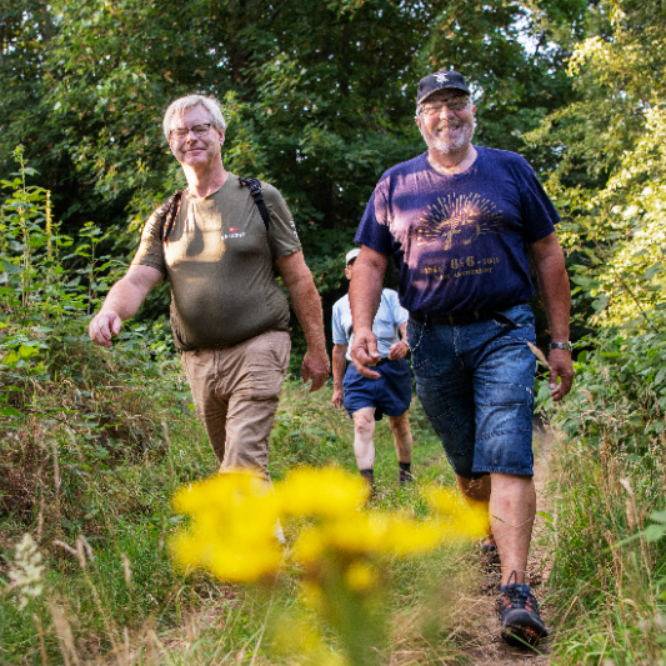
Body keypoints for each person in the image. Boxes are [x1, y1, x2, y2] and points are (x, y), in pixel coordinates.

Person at [349, 70, 573, 647]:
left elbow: (547, 253)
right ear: (419, 120)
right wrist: (361, 330)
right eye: (434, 108)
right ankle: (486, 531)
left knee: (508, 452)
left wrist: (560, 341)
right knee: (470, 468)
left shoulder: (511, 169)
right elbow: (371, 262)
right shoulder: (395, 184)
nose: (446, 116)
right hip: (430, 339)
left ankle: (516, 590)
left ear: (472, 111)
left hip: (505, 329)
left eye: (456, 104)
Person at [89, 94, 330, 481]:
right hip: (199, 361)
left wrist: (318, 348)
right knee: (237, 467)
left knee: (241, 467)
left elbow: (299, 278)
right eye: (180, 131)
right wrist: (110, 310)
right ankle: (273, 541)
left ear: (220, 134)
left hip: (259, 345)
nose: (191, 137)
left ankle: (248, 544)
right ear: (171, 143)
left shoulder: (260, 198)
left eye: (201, 128)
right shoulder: (166, 216)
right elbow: (137, 277)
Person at [331, 248, 413, 488]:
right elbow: (338, 348)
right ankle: (367, 487)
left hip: (392, 367)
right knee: (362, 423)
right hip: (358, 371)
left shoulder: (391, 297)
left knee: (399, 423)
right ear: (348, 272)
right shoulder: (339, 307)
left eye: (367, 264)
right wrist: (337, 387)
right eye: (355, 265)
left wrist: (405, 343)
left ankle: (405, 478)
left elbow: (408, 327)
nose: (362, 269)